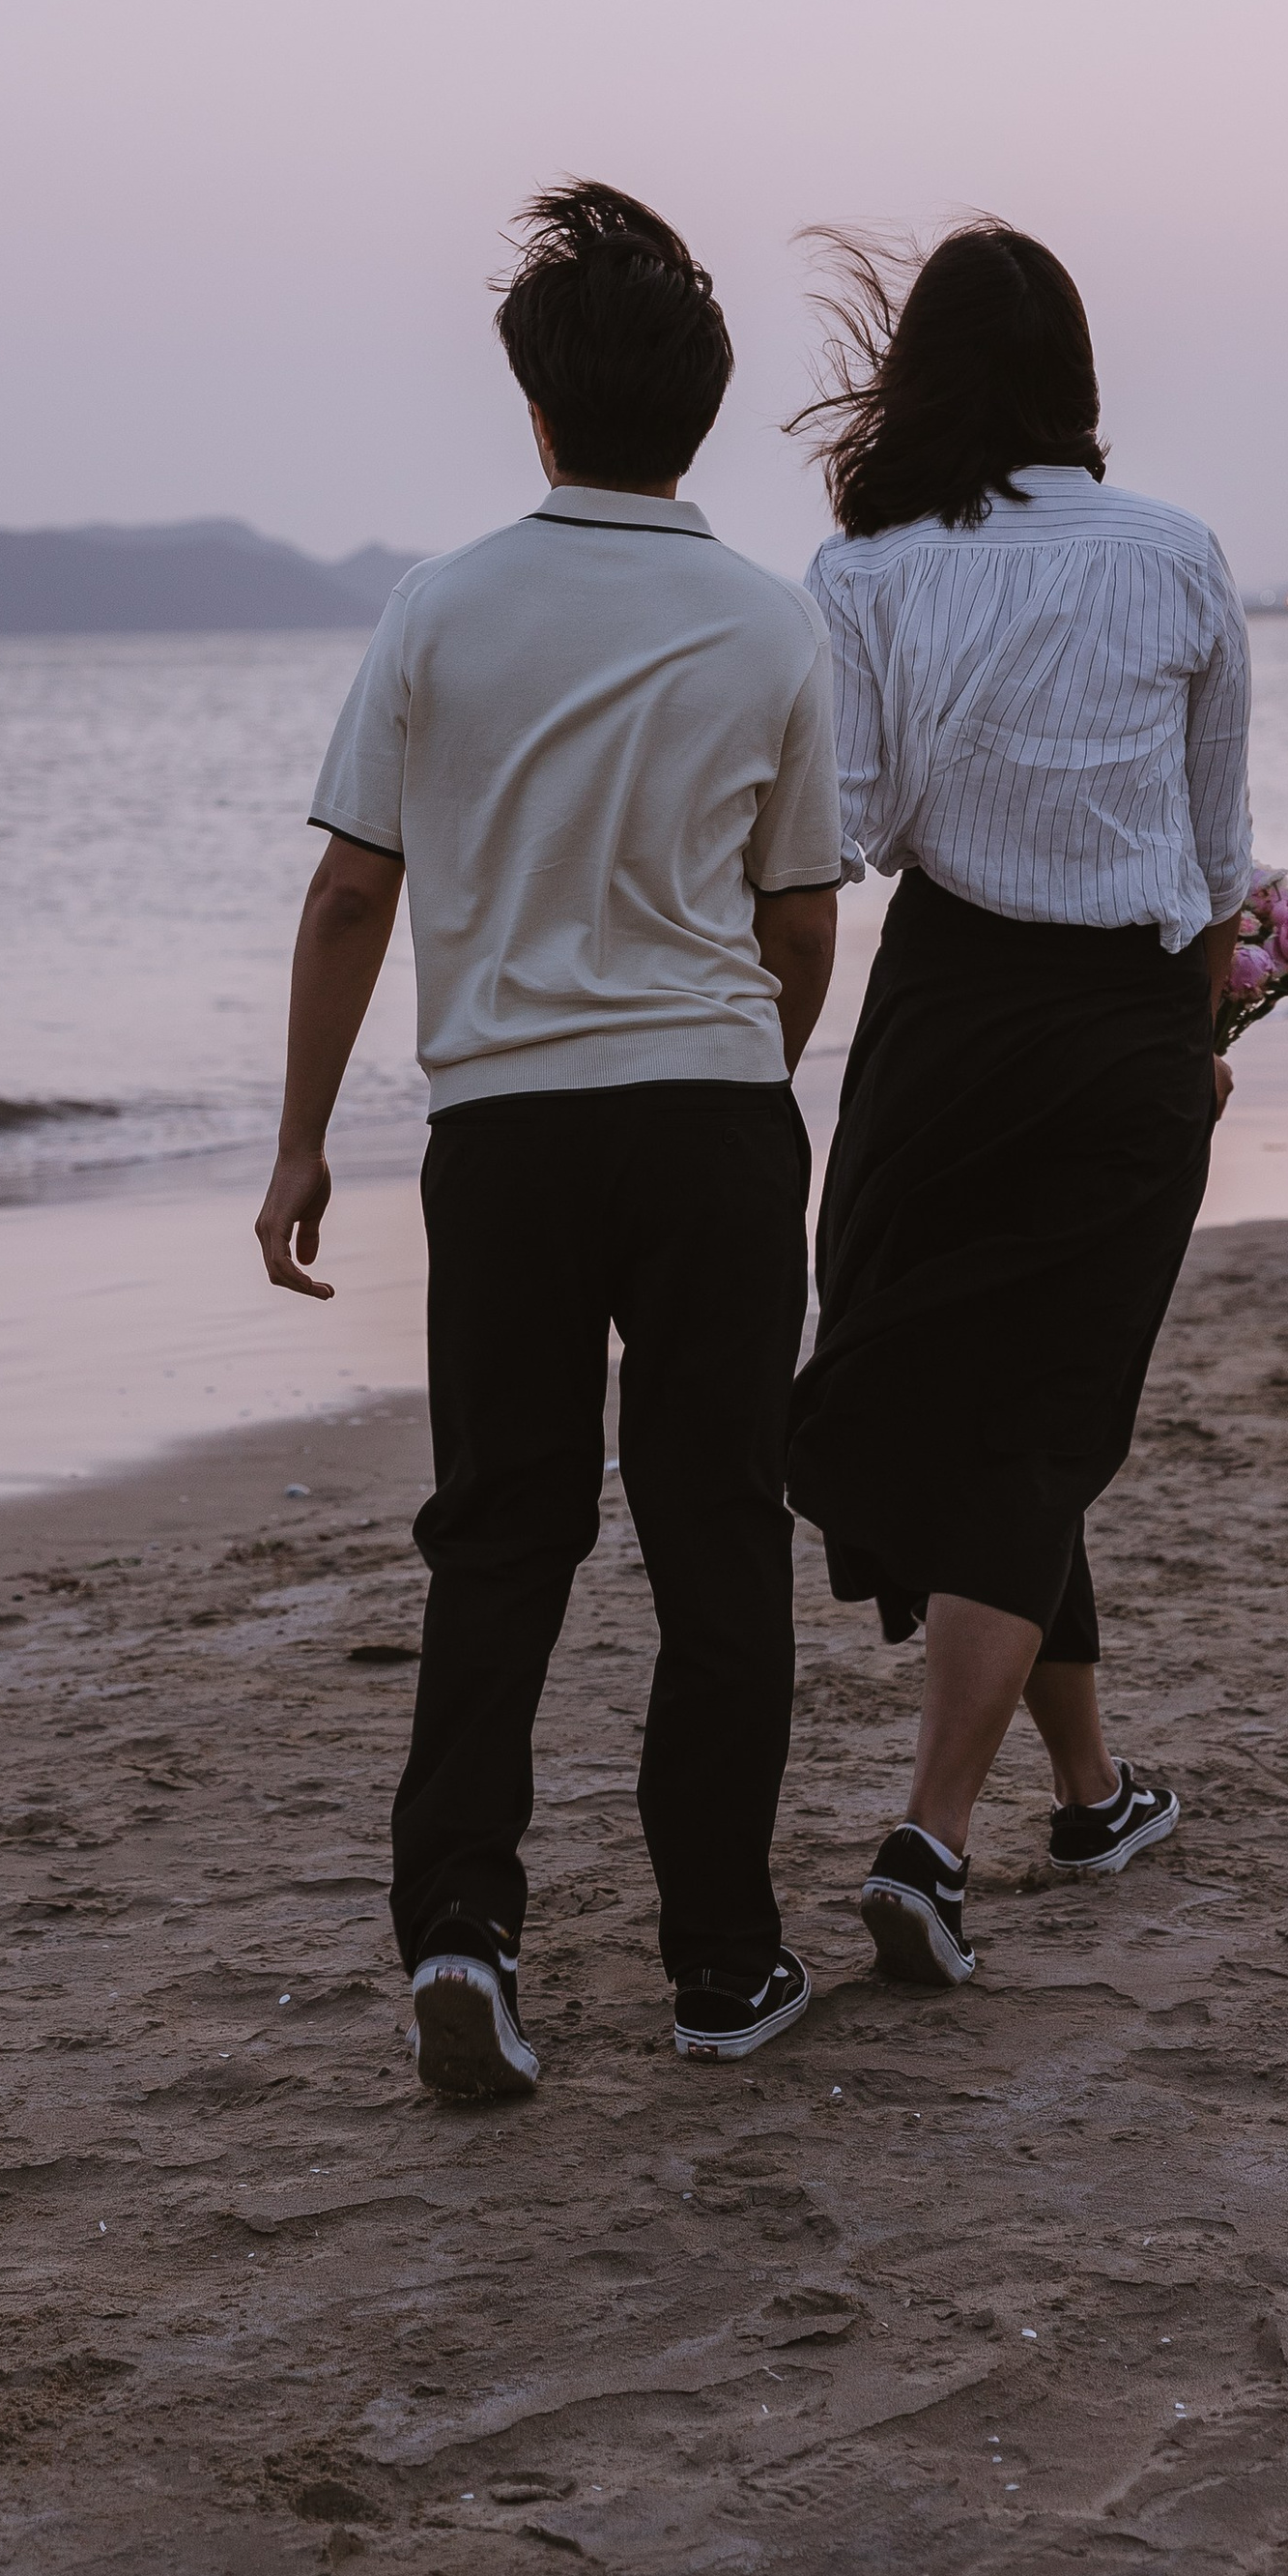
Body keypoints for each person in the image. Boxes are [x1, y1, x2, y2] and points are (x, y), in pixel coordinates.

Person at [254, 183, 844, 2098]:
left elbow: (352, 895)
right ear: (699, 411)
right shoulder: (765, 627)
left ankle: (460, 1936)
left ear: (532, 403)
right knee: (712, 1543)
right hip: (706, 1121)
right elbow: (799, 918)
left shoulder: (440, 604)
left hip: (501, 1131)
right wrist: (754, 1075)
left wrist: (297, 1146)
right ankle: (721, 1966)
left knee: (497, 1536)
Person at [783, 220, 1251, 1992]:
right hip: (1123, 1034)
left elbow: (853, 826)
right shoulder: (1183, 551)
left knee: (1001, 1408)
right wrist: (1199, 1026)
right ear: (1079, 385)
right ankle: (931, 1840)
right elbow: (1215, 849)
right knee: (1038, 1419)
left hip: (946, 1022)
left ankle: (1092, 1793)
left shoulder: (870, 572)